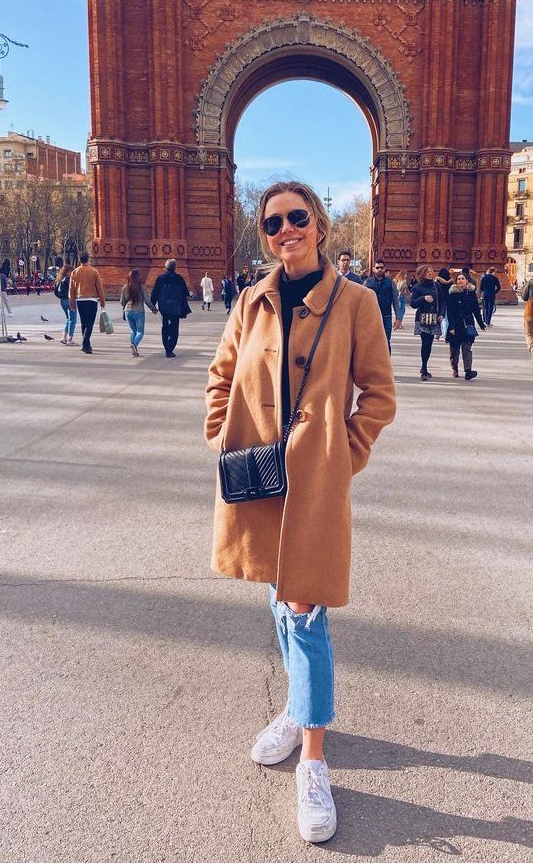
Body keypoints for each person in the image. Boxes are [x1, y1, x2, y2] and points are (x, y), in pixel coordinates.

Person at [205, 180, 395, 845]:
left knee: (306, 610)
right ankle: (294, 707)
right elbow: (221, 374)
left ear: (320, 223)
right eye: (272, 222)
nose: (285, 229)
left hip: (314, 478)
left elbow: (379, 392)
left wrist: (344, 453)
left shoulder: (357, 302)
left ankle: (312, 756)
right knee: (279, 596)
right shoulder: (251, 300)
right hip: (258, 472)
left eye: (296, 217)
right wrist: (217, 431)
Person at [446, 271, 485, 379]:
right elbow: (450, 312)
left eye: (463, 278)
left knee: (467, 348)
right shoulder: (453, 294)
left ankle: (468, 371)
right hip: (456, 325)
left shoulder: (471, 294)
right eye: (458, 279)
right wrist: (452, 327)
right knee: (454, 349)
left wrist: (481, 324)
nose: (461, 280)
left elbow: (476, 310)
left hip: (468, 325)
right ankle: (455, 368)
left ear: (467, 280)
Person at [410, 264, 446, 380]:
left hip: (434, 318)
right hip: (422, 318)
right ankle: (424, 368)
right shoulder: (417, 287)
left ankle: (424, 365)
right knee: (425, 342)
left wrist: (441, 314)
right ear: (422, 274)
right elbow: (413, 303)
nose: (430, 273)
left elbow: (442, 301)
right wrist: (423, 299)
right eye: (427, 272)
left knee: (429, 343)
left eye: (431, 271)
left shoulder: (437, 286)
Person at [68, 252, 107, 354]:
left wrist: (71, 302)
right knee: (90, 323)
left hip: (80, 300)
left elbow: (71, 289)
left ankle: (86, 344)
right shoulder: (94, 271)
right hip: (92, 300)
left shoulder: (75, 272)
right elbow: (100, 288)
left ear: (80, 260)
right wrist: (102, 301)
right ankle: (85, 344)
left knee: (84, 322)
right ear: (88, 259)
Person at [151, 258, 190, 358]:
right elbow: (185, 292)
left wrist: (153, 305)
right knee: (174, 328)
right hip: (175, 307)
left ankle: (166, 347)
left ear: (166, 267)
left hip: (164, 307)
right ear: (175, 267)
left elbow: (155, 292)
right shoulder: (179, 278)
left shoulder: (160, 278)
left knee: (165, 326)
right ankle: (170, 349)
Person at [363, 259, 401, 353]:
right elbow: (362, 302)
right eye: (377, 268)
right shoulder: (367, 283)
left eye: (381, 267)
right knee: (371, 342)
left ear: (385, 269)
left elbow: (395, 300)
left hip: (386, 316)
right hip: (371, 317)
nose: (379, 269)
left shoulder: (390, 282)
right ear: (373, 269)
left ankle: (387, 364)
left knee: (386, 342)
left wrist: (398, 318)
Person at [120, 268, 157, 356]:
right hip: (139, 311)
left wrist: (124, 308)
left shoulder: (125, 287)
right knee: (140, 332)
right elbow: (147, 301)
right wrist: (153, 309)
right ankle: (134, 344)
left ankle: (134, 350)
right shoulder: (142, 287)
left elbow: (122, 301)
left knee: (133, 331)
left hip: (127, 311)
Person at [54, 263, 77, 345]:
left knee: (69, 320)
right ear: (67, 272)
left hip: (62, 301)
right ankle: (69, 339)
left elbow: (56, 292)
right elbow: (74, 290)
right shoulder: (68, 279)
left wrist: (61, 297)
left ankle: (64, 337)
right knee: (73, 320)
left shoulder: (59, 279)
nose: (73, 273)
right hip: (70, 300)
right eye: (72, 271)